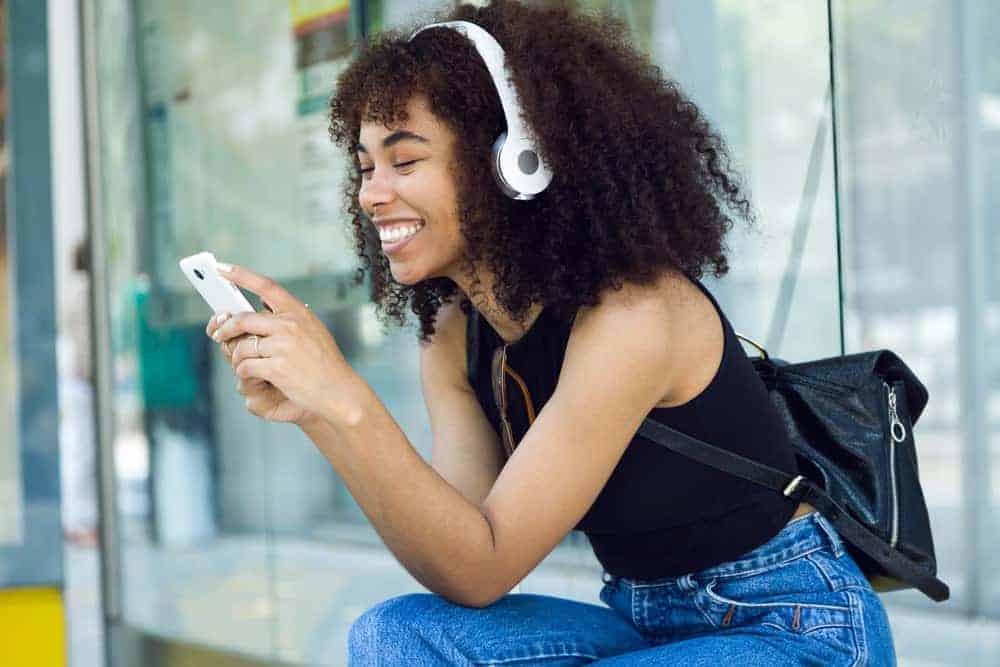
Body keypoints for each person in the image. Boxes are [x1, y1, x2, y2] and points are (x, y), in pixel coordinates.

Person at [207, 1, 896, 663]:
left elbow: (487, 562)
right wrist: (320, 410)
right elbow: (459, 554)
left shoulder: (636, 316)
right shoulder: (454, 332)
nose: (370, 192)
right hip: (644, 625)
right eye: (365, 167)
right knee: (395, 637)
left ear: (513, 158)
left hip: (796, 629)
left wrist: (348, 399)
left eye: (405, 160)